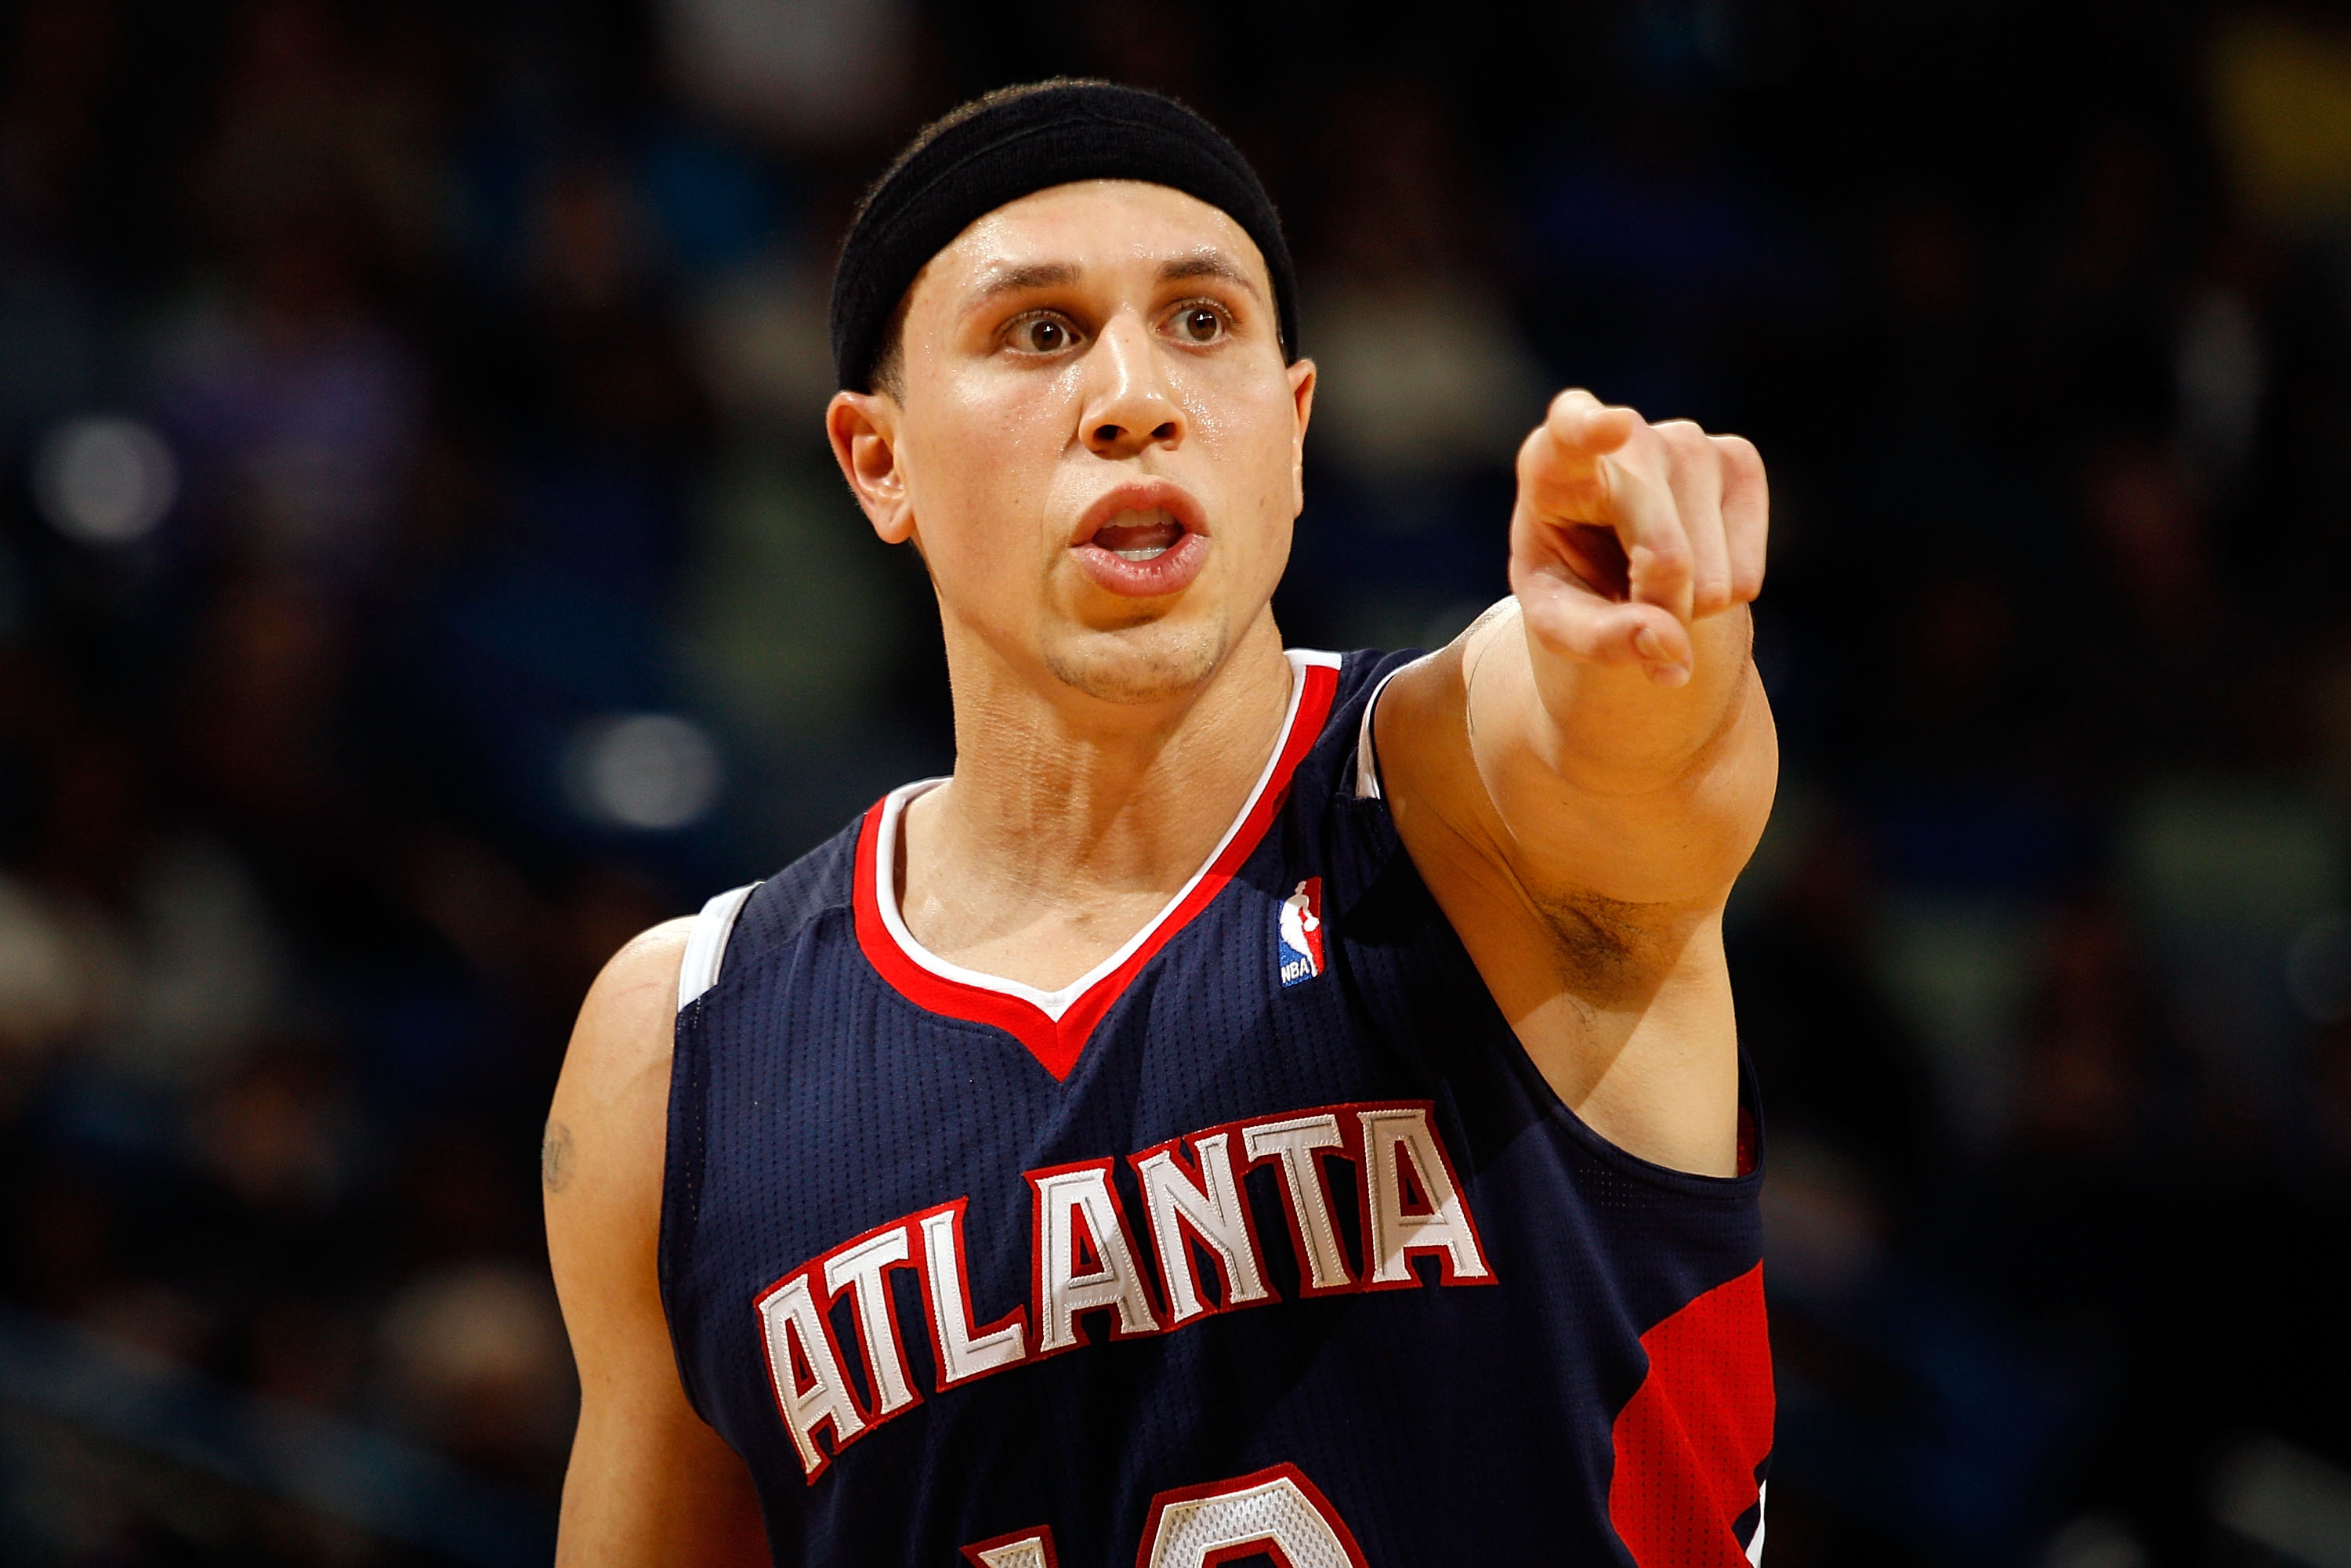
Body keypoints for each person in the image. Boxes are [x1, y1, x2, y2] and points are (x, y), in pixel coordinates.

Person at [545, 80, 1777, 1566]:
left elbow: (1630, 746)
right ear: (880, 461)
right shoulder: (680, 1049)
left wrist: (1660, 624)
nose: (1136, 393)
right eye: (1040, 331)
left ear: (1297, 426)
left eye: (1203, 322)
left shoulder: (1464, 801)